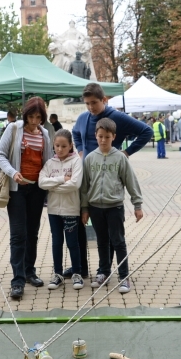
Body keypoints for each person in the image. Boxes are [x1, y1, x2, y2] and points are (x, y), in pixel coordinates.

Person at [0, 97, 52, 300]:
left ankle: (29, 271)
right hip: (17, 189)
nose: (34, 121)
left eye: (38, 117)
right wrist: (12, 172)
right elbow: (0, 154)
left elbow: (48, 161)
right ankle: (17, 280)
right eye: (31, 116)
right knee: (18, 234)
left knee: (33, 233)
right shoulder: (13, 129)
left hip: (37, 189)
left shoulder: (45, 133)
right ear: (25, 114)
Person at [80, 118, 144, 293]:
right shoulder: (90, 158)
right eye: (100, 136)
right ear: (96, 135)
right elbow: (85, 186)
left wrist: (137, 205)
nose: (103, 140)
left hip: (114, 207)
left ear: (113, 137)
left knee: (118, 241)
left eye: (107, 137)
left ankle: (124, 276)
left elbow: (131, 182)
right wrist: (85, 208)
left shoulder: (121, 158)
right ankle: (104, 272)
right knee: (101, 241)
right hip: (95, 207)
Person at [39, 129, 84, 290]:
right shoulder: (50, 163)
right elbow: (41, 182)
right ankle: (57, 274)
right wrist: (60, 180)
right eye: (57, 146)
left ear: (71, 145)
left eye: (64, 146)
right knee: (57, 242)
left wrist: (54, 186)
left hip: (71, 209)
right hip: (53, 211)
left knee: (73, 243)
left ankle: (77, 273)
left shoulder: (76, 161)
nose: (59, 149)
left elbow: (75, 184)